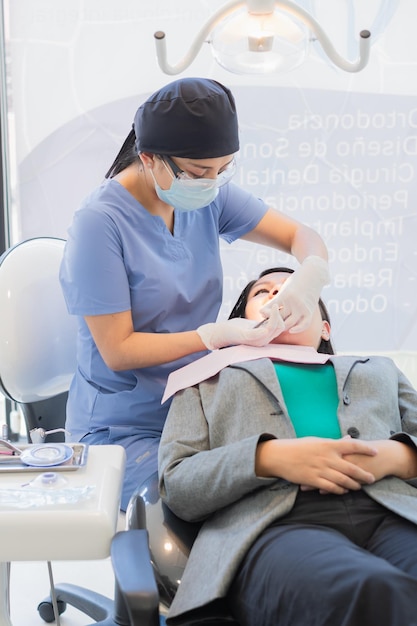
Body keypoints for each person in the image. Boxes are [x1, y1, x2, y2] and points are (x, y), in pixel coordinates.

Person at [59, 78, 330, 510]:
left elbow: (301, 235)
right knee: (210, 509)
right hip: (125, 430)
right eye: (200, 172)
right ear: (149, 158)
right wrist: (216, 337)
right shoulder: (99, 225)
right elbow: (118, 350)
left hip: (196, 413)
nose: (211, 183)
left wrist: (309, 277)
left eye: (224, 170)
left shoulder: (207, 196)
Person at [158, 267, 417, 626]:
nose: (279, 296)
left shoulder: (380, 370)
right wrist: (269, 458)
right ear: (241, 325)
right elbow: (178, 485)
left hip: (396, 514)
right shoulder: (205, 380)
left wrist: (401, 458)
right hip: (275, 527)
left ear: (324, 328)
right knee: (368, 590)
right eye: (262, 292)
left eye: (294, 289)